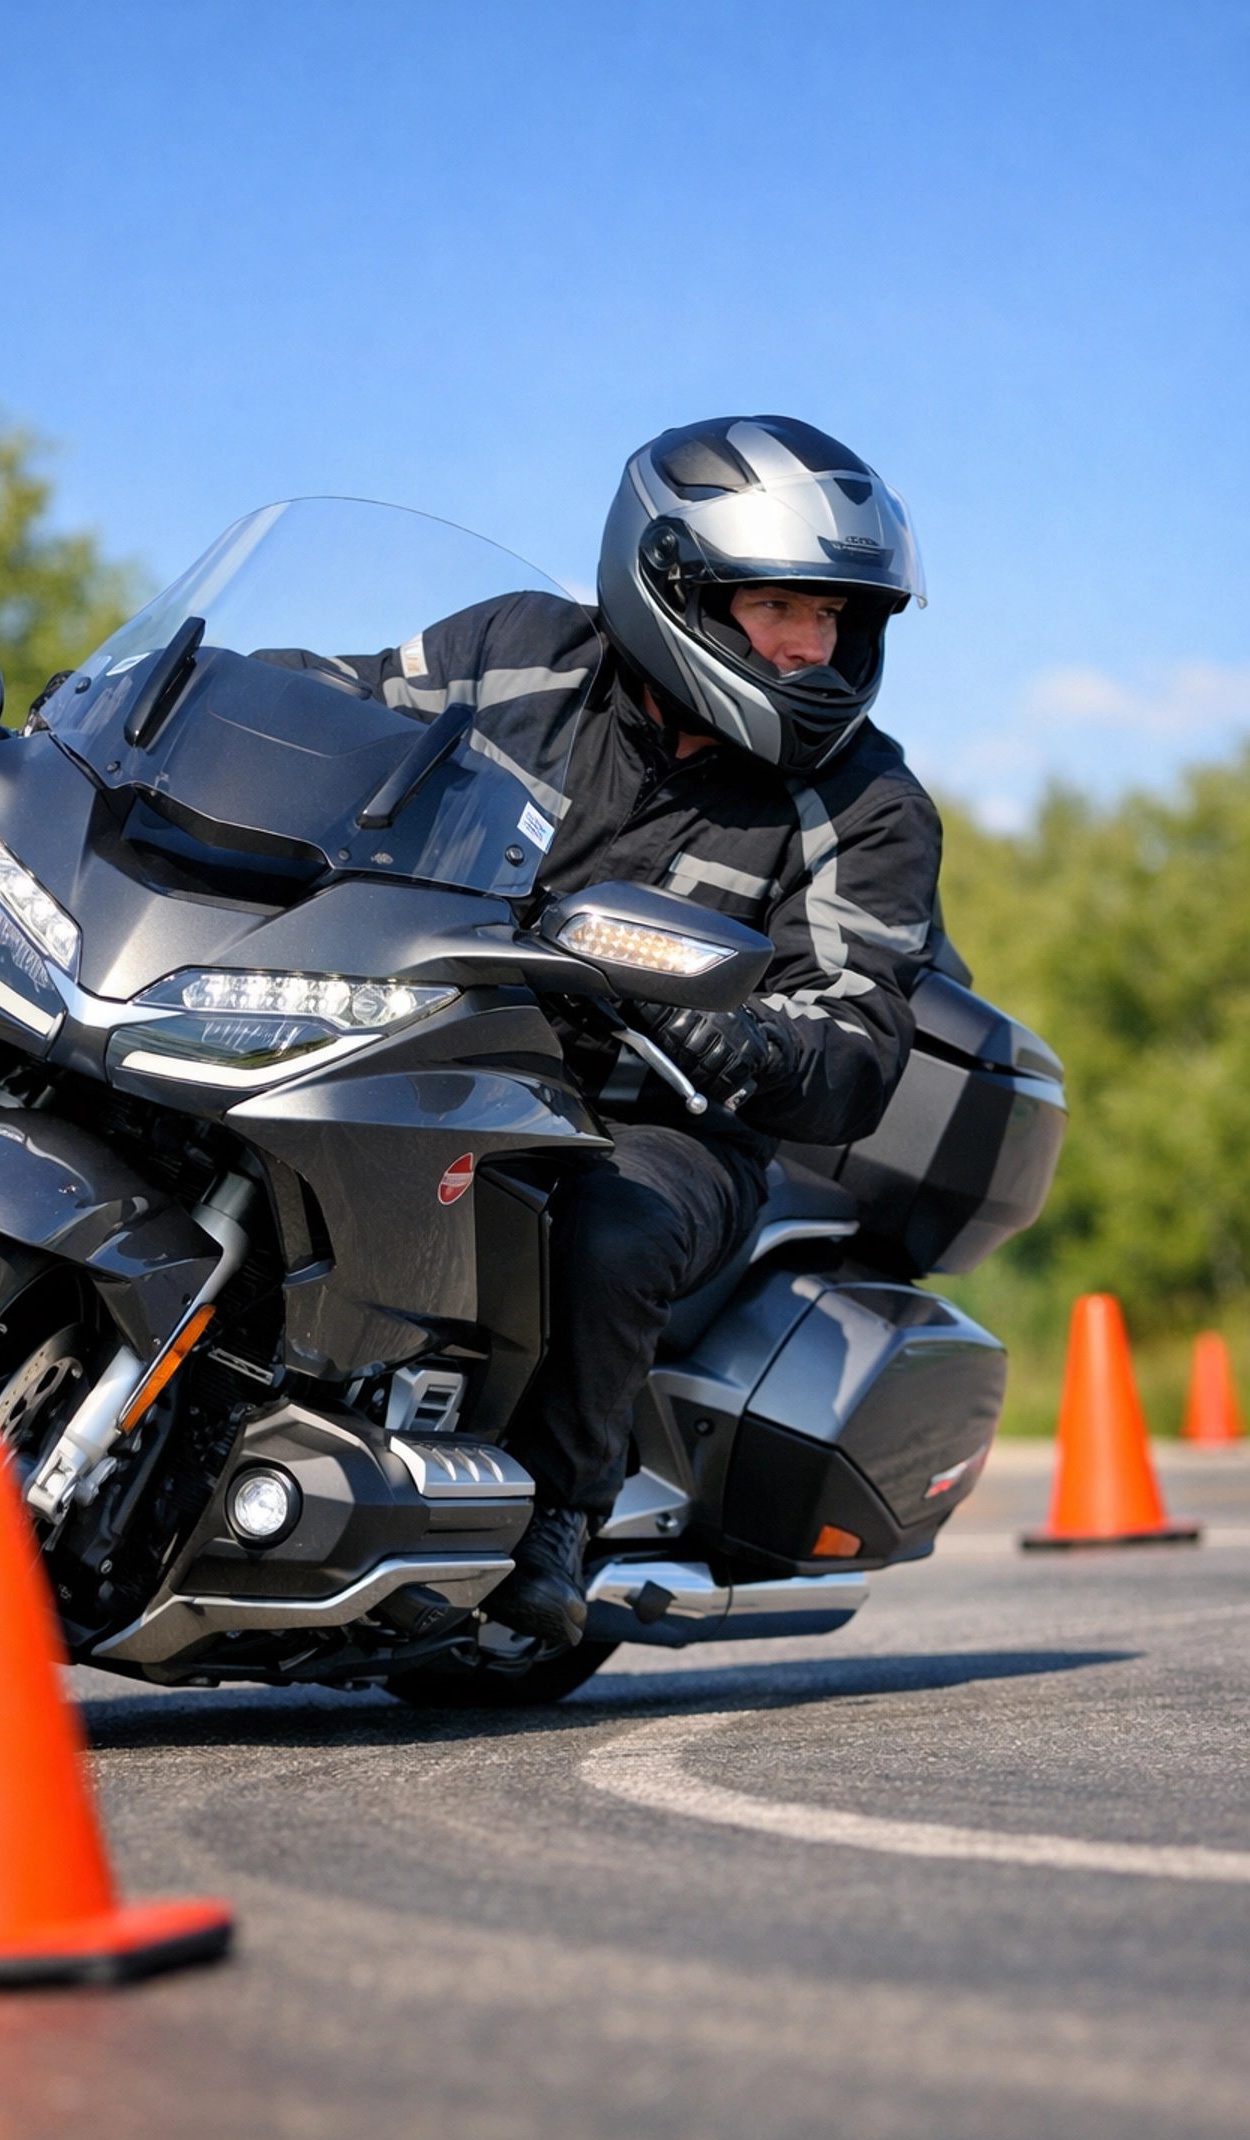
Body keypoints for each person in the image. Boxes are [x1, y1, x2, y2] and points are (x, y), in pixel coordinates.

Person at [340, 416, 943, 1646]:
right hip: (433, 1037)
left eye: (833, 617)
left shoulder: (864, 802)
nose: (810, 645)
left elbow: (857, 1036)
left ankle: (562, 1509)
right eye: (778, 605)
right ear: (672, 583)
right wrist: (146, 712)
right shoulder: (517, 652)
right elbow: (342, 699)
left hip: (663, 1116)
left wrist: (729, 1038)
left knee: (609, 1221)